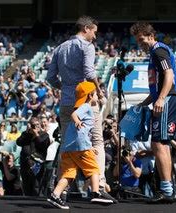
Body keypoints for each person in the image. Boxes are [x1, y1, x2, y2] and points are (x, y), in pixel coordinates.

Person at [46, 15, 109, 197]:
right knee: (96, 141)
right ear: (86, 28)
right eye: (94, 32)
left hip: (66, 102)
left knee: (66, 145)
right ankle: (99, 188)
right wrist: (99, 90)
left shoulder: (59, 48)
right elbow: (89, 72)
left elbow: (50, 77)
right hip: (86, 102)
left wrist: (65, 88)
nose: (95, 37)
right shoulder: (87, 46)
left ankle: (61, 190)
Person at [130, 22, 176, 204]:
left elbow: (169, 76)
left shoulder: (158, 51)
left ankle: (166, 190)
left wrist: (161, 99)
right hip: (168, 98)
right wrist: (143, 104)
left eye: (142, 40)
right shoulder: (154, 53)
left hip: (169, 99)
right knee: (163, 144)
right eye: (138, 41)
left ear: (151, 36)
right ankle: (167, 189)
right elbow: (156, 89)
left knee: (158, 143)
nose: (141, 44)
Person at [47, 81, 113, 209]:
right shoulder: (86, 107)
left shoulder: (83, 107)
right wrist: (77, 121)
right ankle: (95, 193)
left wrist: (90, 145)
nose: (97, 96)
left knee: (68, 174)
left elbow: (83, 133)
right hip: (80, 147)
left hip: (69, 148)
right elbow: (74, 114)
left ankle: (55, 195)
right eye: (95, 94)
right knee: (94, 169)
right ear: (89, 96)